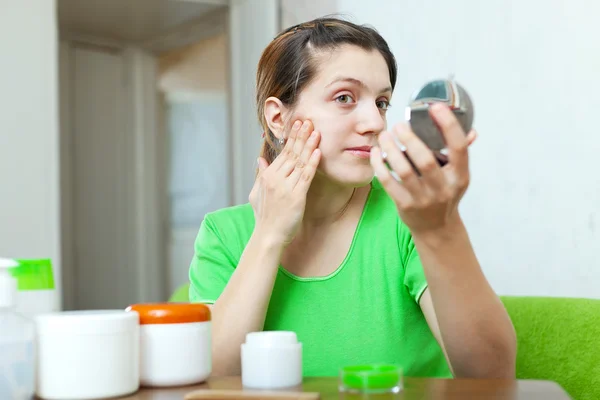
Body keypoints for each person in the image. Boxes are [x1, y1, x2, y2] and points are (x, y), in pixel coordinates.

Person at [188, 16, 516, 379]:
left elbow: (492, 376)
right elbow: (214, 377)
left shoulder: (408, 218)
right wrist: (269, 234)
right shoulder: (223, 234)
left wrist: (441, 230)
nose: (375, 122)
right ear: (278, 118)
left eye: (382, 102)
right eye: (344, 97)